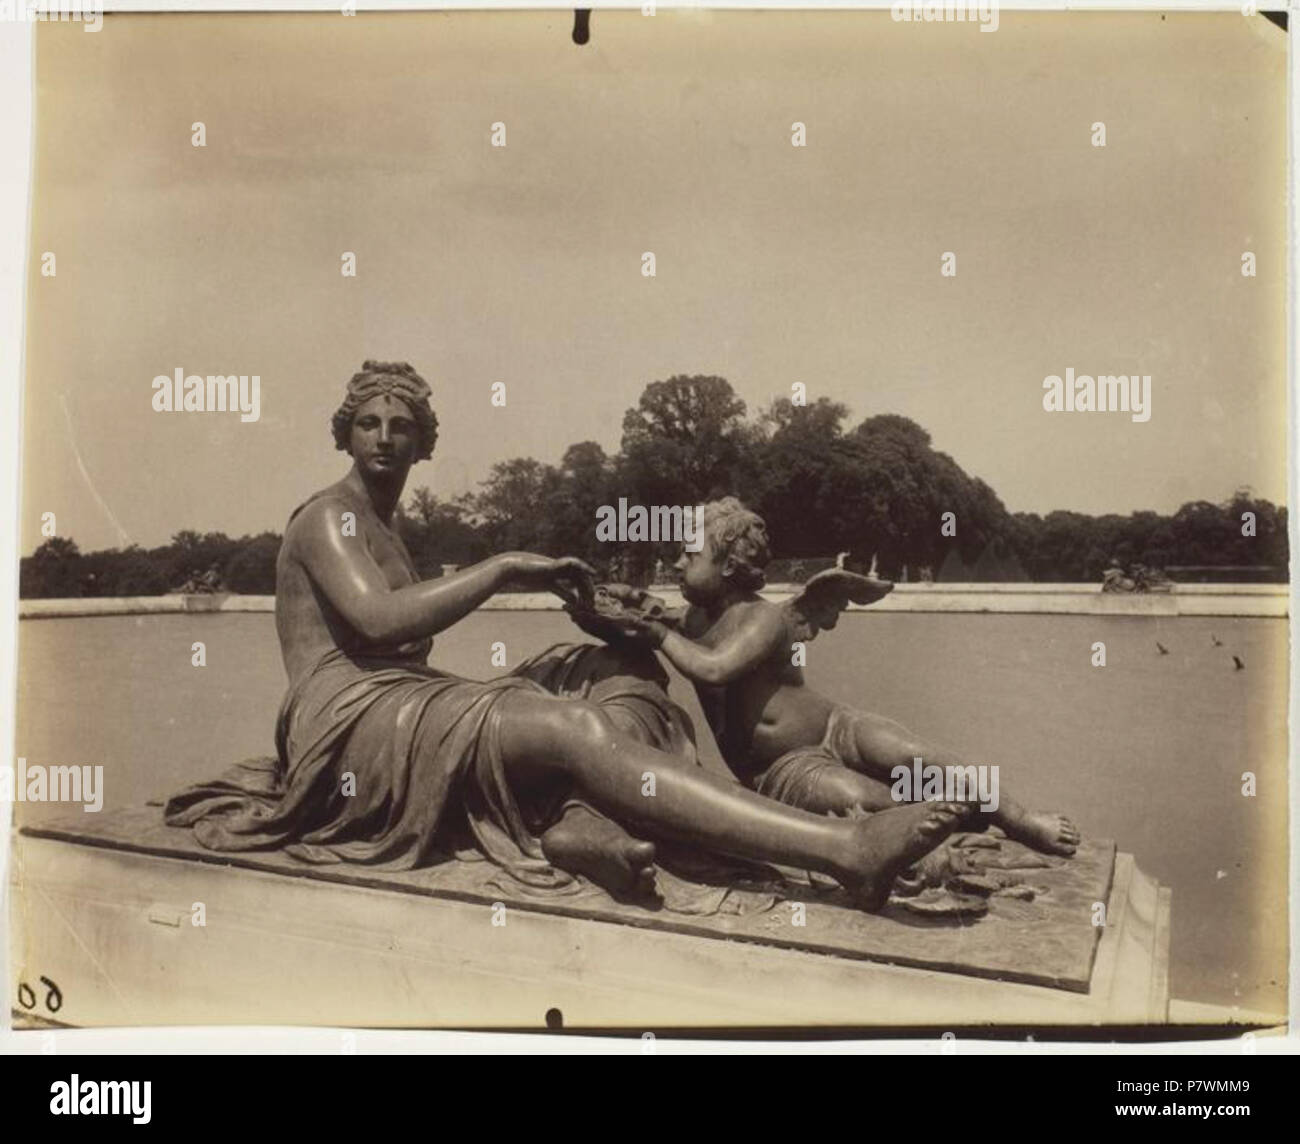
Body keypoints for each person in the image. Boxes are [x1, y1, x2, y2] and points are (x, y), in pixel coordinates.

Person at [166, 362, 972, 911]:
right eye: (368, 423)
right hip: (347, 727)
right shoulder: (331, 517)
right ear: (344, 435)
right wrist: (508, 567)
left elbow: (403, 642)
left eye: (400, 425)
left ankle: (575, 826)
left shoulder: (386, 526)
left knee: (614, 666)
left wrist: (600, 616)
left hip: (401, 708)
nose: (383, 436)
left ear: (422, 440)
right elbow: (378, 624)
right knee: (575, 725)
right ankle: (843, 850)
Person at [616, 497, 1080, 857]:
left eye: (687, 554)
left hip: (838, 725)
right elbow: (648, 624)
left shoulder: (762, 619)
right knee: (866, 803)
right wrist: (614, 606)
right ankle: (956, 822)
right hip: (784, 770)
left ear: (729, 565)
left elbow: (714, 668)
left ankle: (1019, 819)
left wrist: (654, 631)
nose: (676, 563)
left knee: (918, 755)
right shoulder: (690, 620)